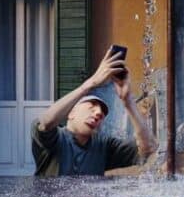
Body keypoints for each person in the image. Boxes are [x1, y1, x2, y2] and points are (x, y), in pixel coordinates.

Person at [31, 47, 158, 176]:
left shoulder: (104, 146)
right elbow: (46, 122)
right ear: (71, 113)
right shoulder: (55, 139)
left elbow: (149, 148)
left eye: (103, 113)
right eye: (91, 105)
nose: (98, 113)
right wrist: (90, 83)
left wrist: (128, 101)